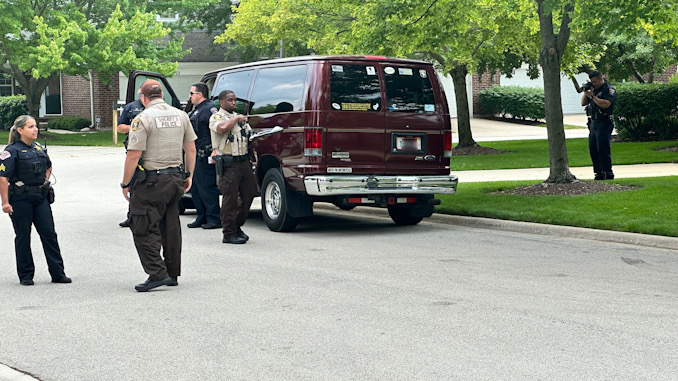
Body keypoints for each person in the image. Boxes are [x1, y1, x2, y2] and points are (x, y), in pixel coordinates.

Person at [121, 80, 197, 292]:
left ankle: (157, 273)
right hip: (175, 179)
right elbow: (190, 149)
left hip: (153, 181)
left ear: (143, 98)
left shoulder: (142, 118)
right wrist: (189, 174)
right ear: (161, 95)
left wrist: (126, 183)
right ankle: (172, 273)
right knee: (170, 226)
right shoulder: (181, 115)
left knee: (142, 225)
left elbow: (134, 154)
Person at [0, 115, 71, 286]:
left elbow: (48, 165)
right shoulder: (11, 151)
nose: (35, 129)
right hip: (20, 199)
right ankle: (26, 275)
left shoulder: (38, 148)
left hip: (40, 198)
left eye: (35, 126)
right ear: (20, 130)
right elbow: (3, 178)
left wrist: (45, 180)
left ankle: (58, 273)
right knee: (23, 236)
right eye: (30, 127)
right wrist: (5, 202)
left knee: (49, 234)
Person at [209, 90, 257, 244]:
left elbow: (248, 134)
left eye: (235, 100)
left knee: (249, 193)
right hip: (228, 162)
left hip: (243, 161)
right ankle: (229, 233)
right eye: (230, 100)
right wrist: (236, 118)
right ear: (222, 102)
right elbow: (222, 128)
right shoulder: (217, 116)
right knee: (230, 199)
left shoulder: (239, 118)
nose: (234, 103)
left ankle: (237, 225)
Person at [186, 82, 221, 229]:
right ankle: (201, 216)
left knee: (207, 187)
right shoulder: (197, 110)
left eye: (192, 93)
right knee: (196, 187)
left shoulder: (210, 109)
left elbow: (216, 131)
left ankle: (213, 218)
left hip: (205, 152)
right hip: (195, 153)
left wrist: (215, 150)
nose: (190, 96)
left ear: (200, 94)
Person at [581, 70, 617, 180]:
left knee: (603, 148)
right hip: (593, 123)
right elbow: (583, 103)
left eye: (595, 81)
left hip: (604, 121)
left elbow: (606, 104)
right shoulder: (593, 90)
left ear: (601, 79)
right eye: (592, 82)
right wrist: (586, 93)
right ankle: (598, 173)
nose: (594, 84)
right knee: (593, 149)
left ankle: (608, 173)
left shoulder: (609, 90)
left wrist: (592, 97)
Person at [116, 90, 145, 227]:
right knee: (134, 184)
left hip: (153, 152)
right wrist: (135, 128)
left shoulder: (156, 108)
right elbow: (120, 127)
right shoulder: (131, 107)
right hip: (135, 149)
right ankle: (132, 216)